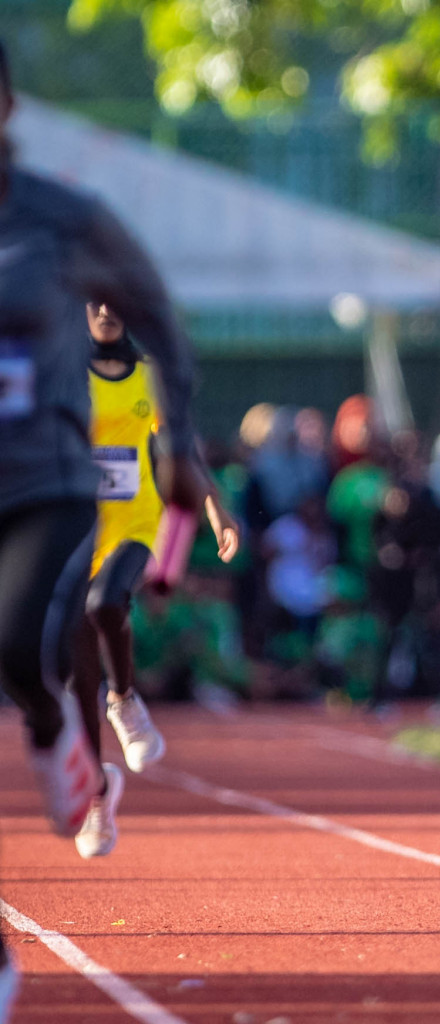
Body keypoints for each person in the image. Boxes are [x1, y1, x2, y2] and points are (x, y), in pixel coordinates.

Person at [0, 38, 203, 1017]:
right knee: (42, 642)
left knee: (48, 630)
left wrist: (191, 461)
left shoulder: (64, 220)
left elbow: (160, 316)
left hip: (61, 489)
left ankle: (78, 723)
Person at [70, 301, 240, 859]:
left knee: (104, 604)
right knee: (74, 669)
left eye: (114, 301)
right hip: (74, 527)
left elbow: (182, 448)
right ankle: (97, 793)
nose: (104, 310)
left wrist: (215, 508)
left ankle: (124, 700)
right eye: (92, 301)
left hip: (137, 522)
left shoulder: (148, 377)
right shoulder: (64, 370)